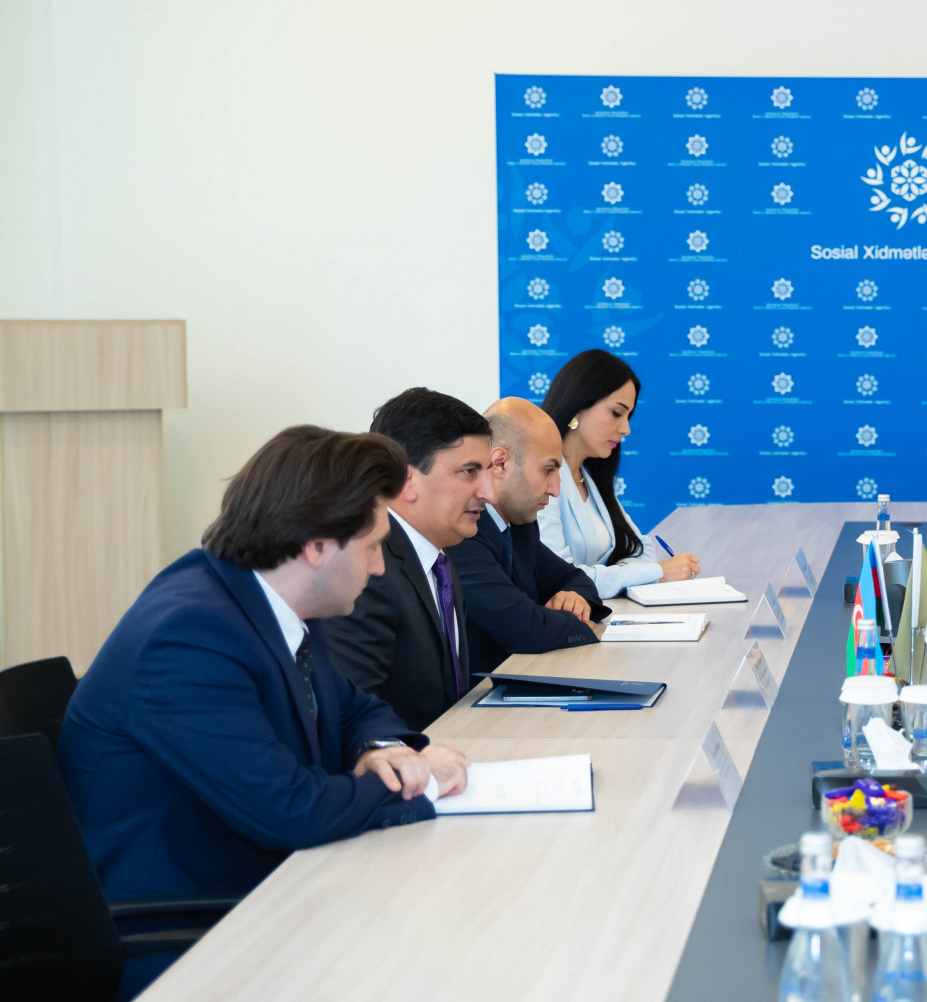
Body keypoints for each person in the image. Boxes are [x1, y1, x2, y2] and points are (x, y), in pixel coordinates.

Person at [57, 425, 470, 912]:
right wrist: (417, 781)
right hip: (188, 921)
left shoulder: (273, 601)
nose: (379, 567)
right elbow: (292, 810)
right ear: (316, 546)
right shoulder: (188, 638)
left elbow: (356, 710)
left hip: (271, 880)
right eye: (371, 546)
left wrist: (383, 751)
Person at [328, 388, 495, 730]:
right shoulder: (367, 570)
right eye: (469, 472)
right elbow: (352, 718)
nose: (489, 493)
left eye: (488, 472)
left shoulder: (440, 554)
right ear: (405, 481)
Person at [450, 398, 607, 674]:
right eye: (548, 470)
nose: (555, 489)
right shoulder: (463, 531)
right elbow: (523, 628)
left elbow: (575, 579)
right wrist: (576, 623)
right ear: (500, 463)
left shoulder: (521, 525)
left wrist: (574, 599)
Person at [538, 349, 701, 597]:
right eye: (616, 413)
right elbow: (560, 579)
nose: (626, 429)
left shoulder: (589, 477)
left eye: (628, 416)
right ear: (578, 406)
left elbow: (642, 549)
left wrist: (618, 575)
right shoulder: (540, 478)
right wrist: (654, 574)